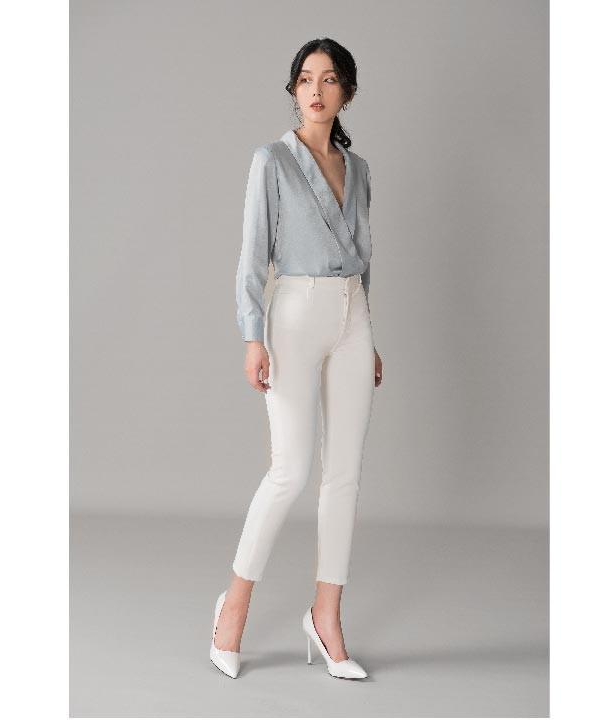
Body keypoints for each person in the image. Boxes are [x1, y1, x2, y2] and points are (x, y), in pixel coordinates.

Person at [210, 38, 383, 680]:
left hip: (352, 314)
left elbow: (363, 255)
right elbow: (252, 255)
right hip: (293, 314)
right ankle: (233, 607)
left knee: (345, 475)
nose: (316, 89)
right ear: (293, 90)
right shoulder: (272, 161)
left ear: (347, 93)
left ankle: (326, 616)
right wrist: (252, 335)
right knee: (290, 471)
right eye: (306, 79)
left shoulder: (358, 168)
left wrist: (369, 334)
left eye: (329, 79)